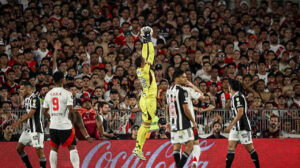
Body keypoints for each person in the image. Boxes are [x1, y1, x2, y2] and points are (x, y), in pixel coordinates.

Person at [43, 71, 94, 168]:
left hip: (53, 126)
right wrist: (72, 120)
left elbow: (44, 111)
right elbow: (70, 110)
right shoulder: (67, 93)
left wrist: (51, 117)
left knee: (54, 149)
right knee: (72, 148)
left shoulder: (48, 94)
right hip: (65, 125)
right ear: (62, 79)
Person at [132, 26, 158, 160]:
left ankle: (138, 148)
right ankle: (137, 148)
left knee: (145, 124)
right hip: (149, 100)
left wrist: (145, 40)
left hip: (144, 97)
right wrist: (148, 40)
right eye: (144, 60)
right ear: (142, 63)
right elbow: (150, 54)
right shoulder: (145, 69)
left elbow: (144, 55)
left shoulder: (138, 70)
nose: (145, 60)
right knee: (146, 125)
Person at [224, 79, 260, 168]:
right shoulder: (235, 97)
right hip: (235, 128)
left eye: (228, 85)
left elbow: (240, 112)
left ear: (231, 87)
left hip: (243, 126)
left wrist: (230, 125)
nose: (228, 86)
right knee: (230, 148)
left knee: (250, 148)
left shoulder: (238, 97)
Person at [166, 69, 198, 168]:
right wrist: (193, 121)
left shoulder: (169, 91)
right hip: (183, 122)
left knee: (177, 146)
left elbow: (168, 107)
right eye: (183, 77)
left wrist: (168, 121)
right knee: (190, 145)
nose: (186, 78)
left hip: (174, 123)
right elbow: (185, 109)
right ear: (177, 78)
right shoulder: (182, 91)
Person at [12, 81, 46, 168]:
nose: (20, 90)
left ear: (28, 89)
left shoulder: (35, 99)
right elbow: (25, 113)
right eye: (20, 89)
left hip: (36, 128)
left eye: (22, 89)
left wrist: (18, 123)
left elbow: (30, 114)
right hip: (28, 129)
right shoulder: (26, 99)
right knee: (19, 149)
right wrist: (21, 120)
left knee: (39, 151)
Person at [183, 80, 205, 168]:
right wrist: (193, 86)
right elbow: (202, 96)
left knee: (179, 145)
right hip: (189, 122)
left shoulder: (171, 91)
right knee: (195, 144)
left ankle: (180, 164)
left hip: (177, 123)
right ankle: (195, 162)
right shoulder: (188, 90)